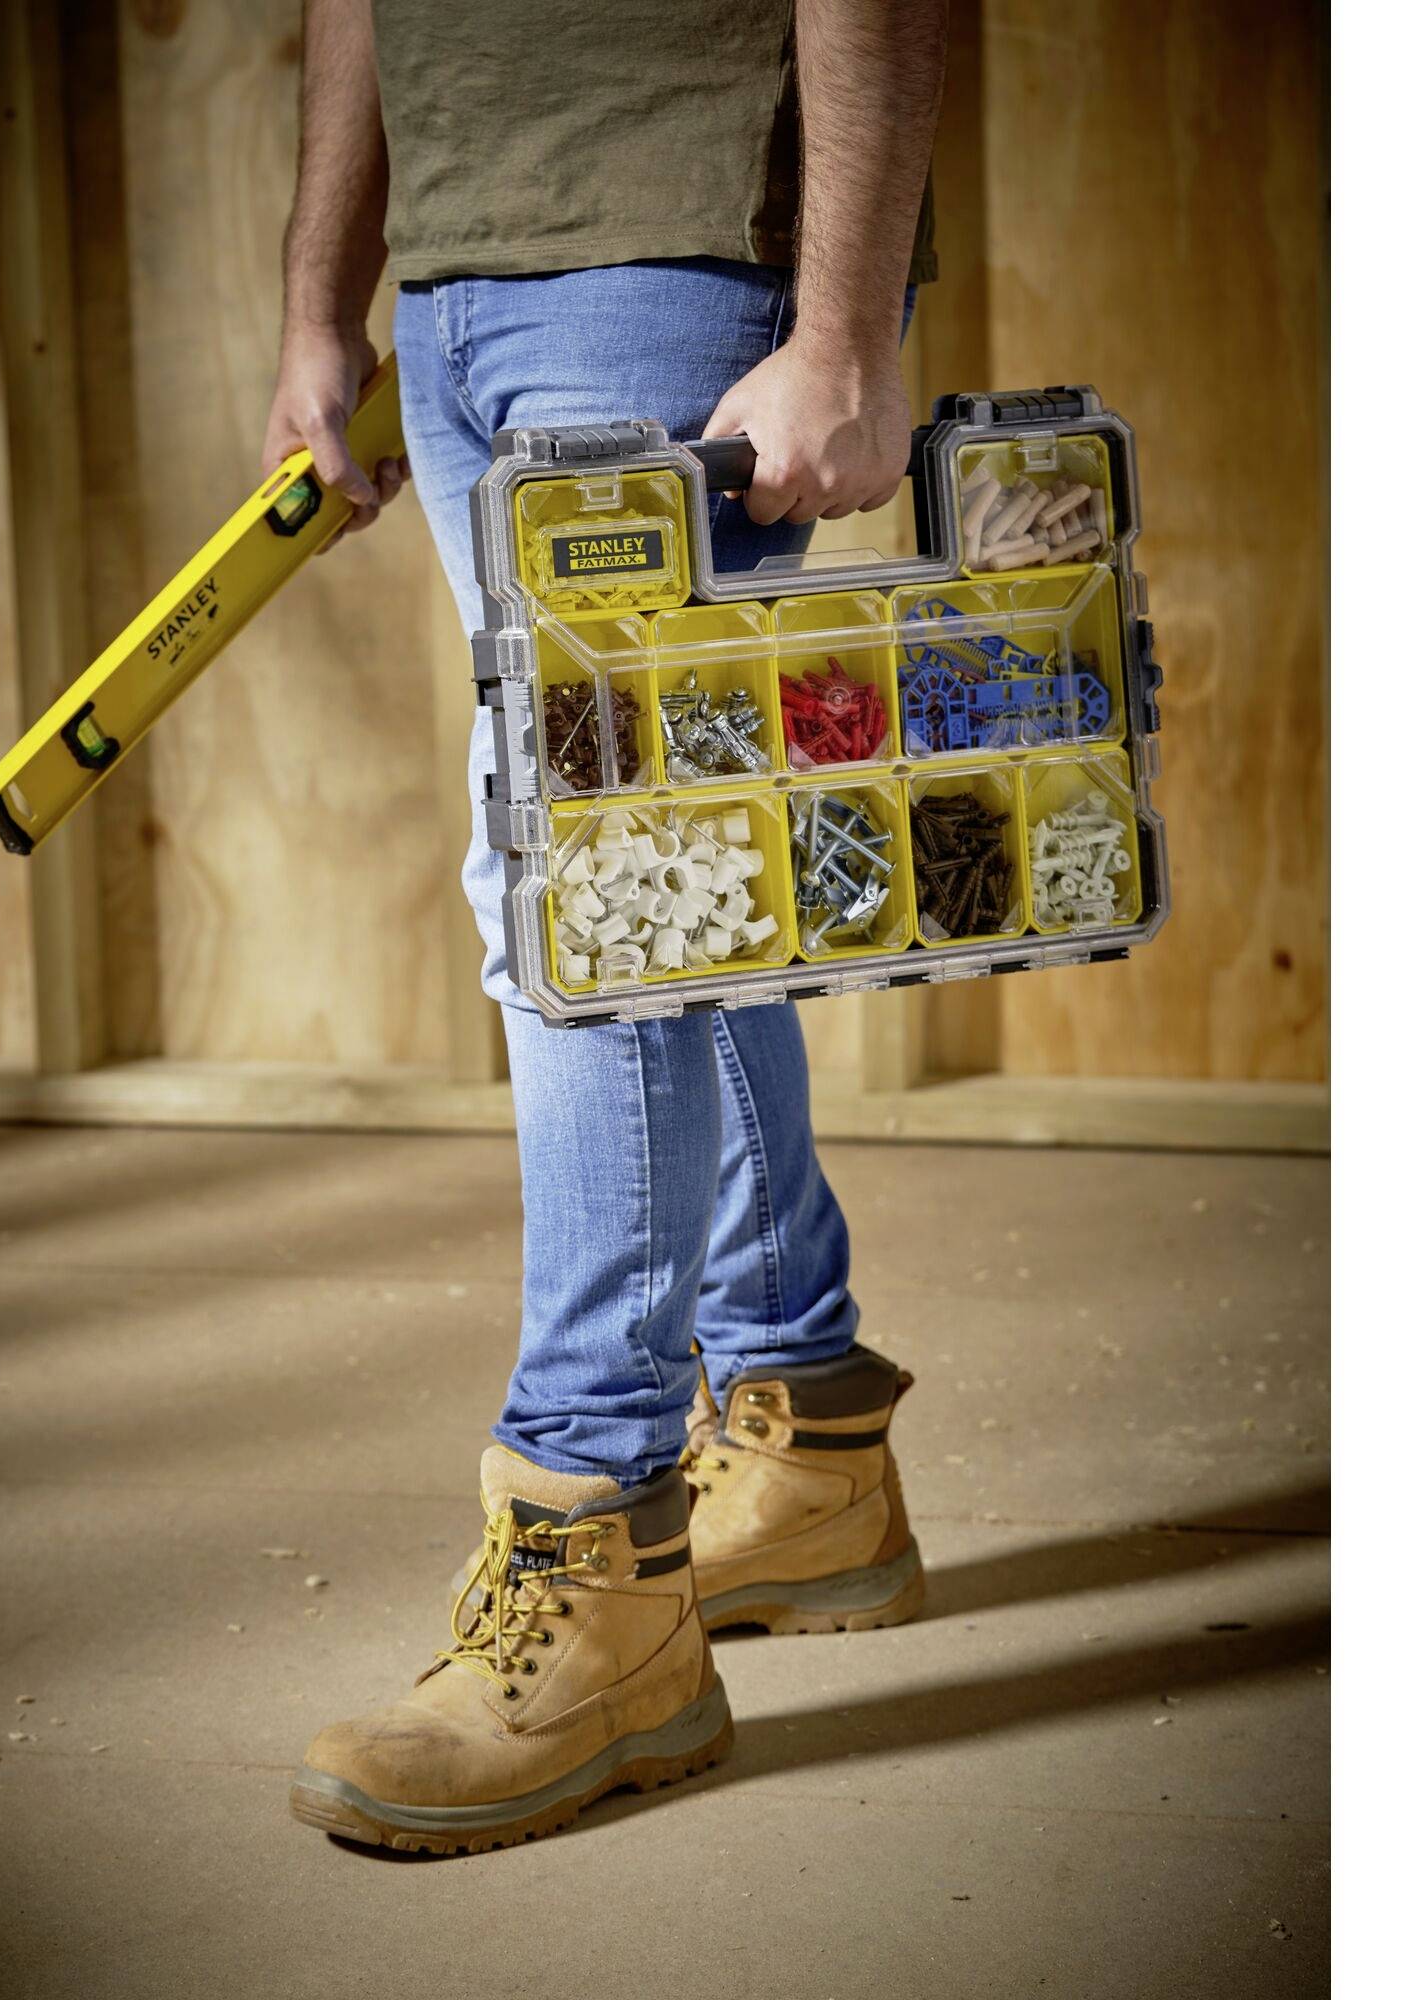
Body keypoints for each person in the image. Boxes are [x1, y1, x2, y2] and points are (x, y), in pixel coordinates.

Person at [264, 0, 947, 1853]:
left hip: (664, 246)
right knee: (663, 885)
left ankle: (600, 1548)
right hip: (456, 281)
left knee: (592, 902)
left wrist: (842, 327)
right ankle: (803, 1431)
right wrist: (326, 303)